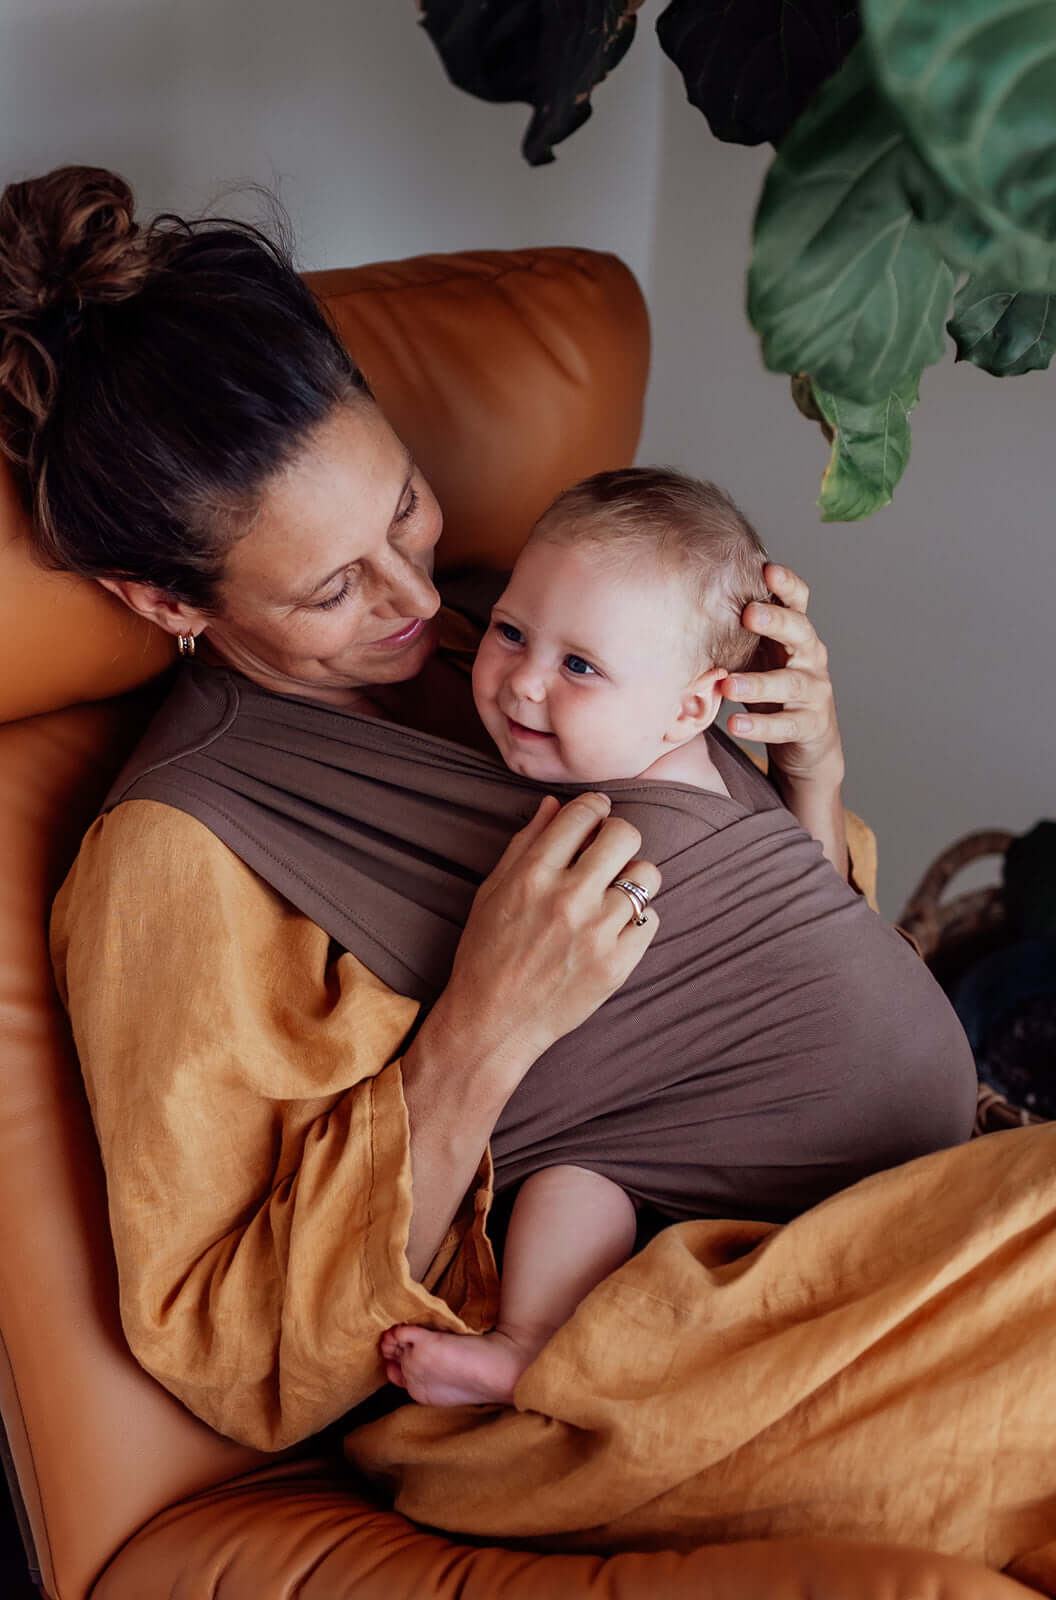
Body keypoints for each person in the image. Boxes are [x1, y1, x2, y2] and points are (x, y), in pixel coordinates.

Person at [1, 167, 976, 1463]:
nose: (412, 595)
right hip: (601, 1354)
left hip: (853, 1213)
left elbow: (768, 991)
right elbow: (234, 1357)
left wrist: (808, 771)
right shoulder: (178, 859)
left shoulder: (517, 629)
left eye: (401, 500)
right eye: (335, 586)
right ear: (168, 603)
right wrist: (481, 1030)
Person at [383, 467, 786, 1405]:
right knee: (595, 1171)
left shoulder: (647, 826)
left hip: (766, 1123)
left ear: (691, 708)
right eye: (510, 632)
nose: (521, 681)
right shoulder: (650, 745)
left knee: (578, 1169)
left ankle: (530, 1340)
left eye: (578, 667)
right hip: (706, 1128)